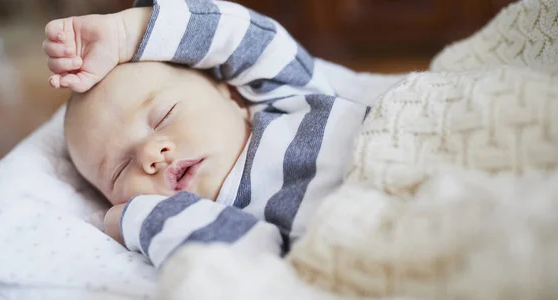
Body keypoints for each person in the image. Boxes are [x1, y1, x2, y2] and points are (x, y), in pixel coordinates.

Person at [45, 0, 369, 268]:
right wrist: (138, 219)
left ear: (230, 94)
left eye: (164, 116)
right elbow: (240, 267)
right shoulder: (216, 222)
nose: (149, 154)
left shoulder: (286, 99)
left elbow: (243, 38)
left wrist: (126, 34)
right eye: (118, 170)